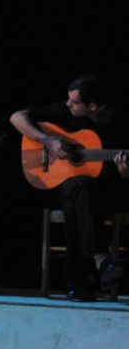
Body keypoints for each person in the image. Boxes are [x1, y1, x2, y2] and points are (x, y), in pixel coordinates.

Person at [10, 75, 128, 300]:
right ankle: (101, 260)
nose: (68, 104)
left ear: (92, 107)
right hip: (74, 190)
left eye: (74, 102)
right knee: (79, 188)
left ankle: (82, 280)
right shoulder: (65, 112)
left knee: (79, 194)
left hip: (110, 192)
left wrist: (125, 173)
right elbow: (16, 117)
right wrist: (47, 141)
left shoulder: (120, 123)